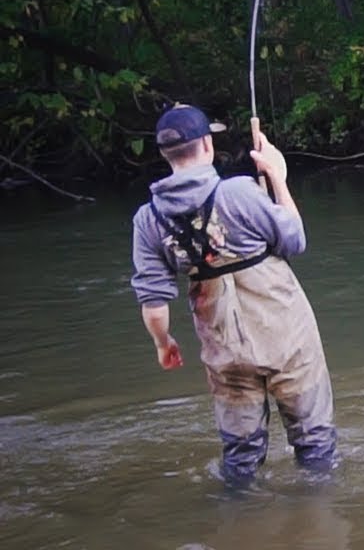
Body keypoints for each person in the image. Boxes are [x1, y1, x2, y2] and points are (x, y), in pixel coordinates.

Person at [130, 104, 337, 481]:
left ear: (165, 154)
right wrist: (277, 175)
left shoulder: (148, 220)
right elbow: (294, 239)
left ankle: (239, 523)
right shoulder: (240, 192)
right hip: (286, 337)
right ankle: (318, 520)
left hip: (223, 346)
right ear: (207, 145)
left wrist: (164, 343)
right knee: (315, 446)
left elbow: (154, 302)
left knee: (240, 460)